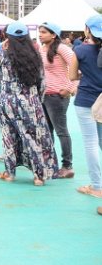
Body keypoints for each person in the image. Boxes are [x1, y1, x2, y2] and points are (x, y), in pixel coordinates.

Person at [0, 22, 58, 186]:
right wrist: (37, 100)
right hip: (30, 102)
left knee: (8, 137)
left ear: (8, 37)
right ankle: (38, 176)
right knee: (32, 137)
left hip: (6, 101)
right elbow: (42, 83)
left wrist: (2, 46)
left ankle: (9, 173)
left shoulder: (3, 54)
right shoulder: (36, 55)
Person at [69, 14, 102, 198]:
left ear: (88, 30)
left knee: (90, 144)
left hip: (86, 101)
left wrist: (85, 75)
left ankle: (97, 186)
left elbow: (72, 76)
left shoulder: (80, 50)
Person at [38, 21, 77, 179]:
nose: (40, 34)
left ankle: (67, 166)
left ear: (53, 34)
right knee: (47, 131)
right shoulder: (43, 49)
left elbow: (78, 68)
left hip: (57, 96)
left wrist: (70, 88)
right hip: (45, 95)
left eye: (44, 32)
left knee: (61, 131)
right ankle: (49, 163)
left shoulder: (62, 49)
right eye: (40, 31)